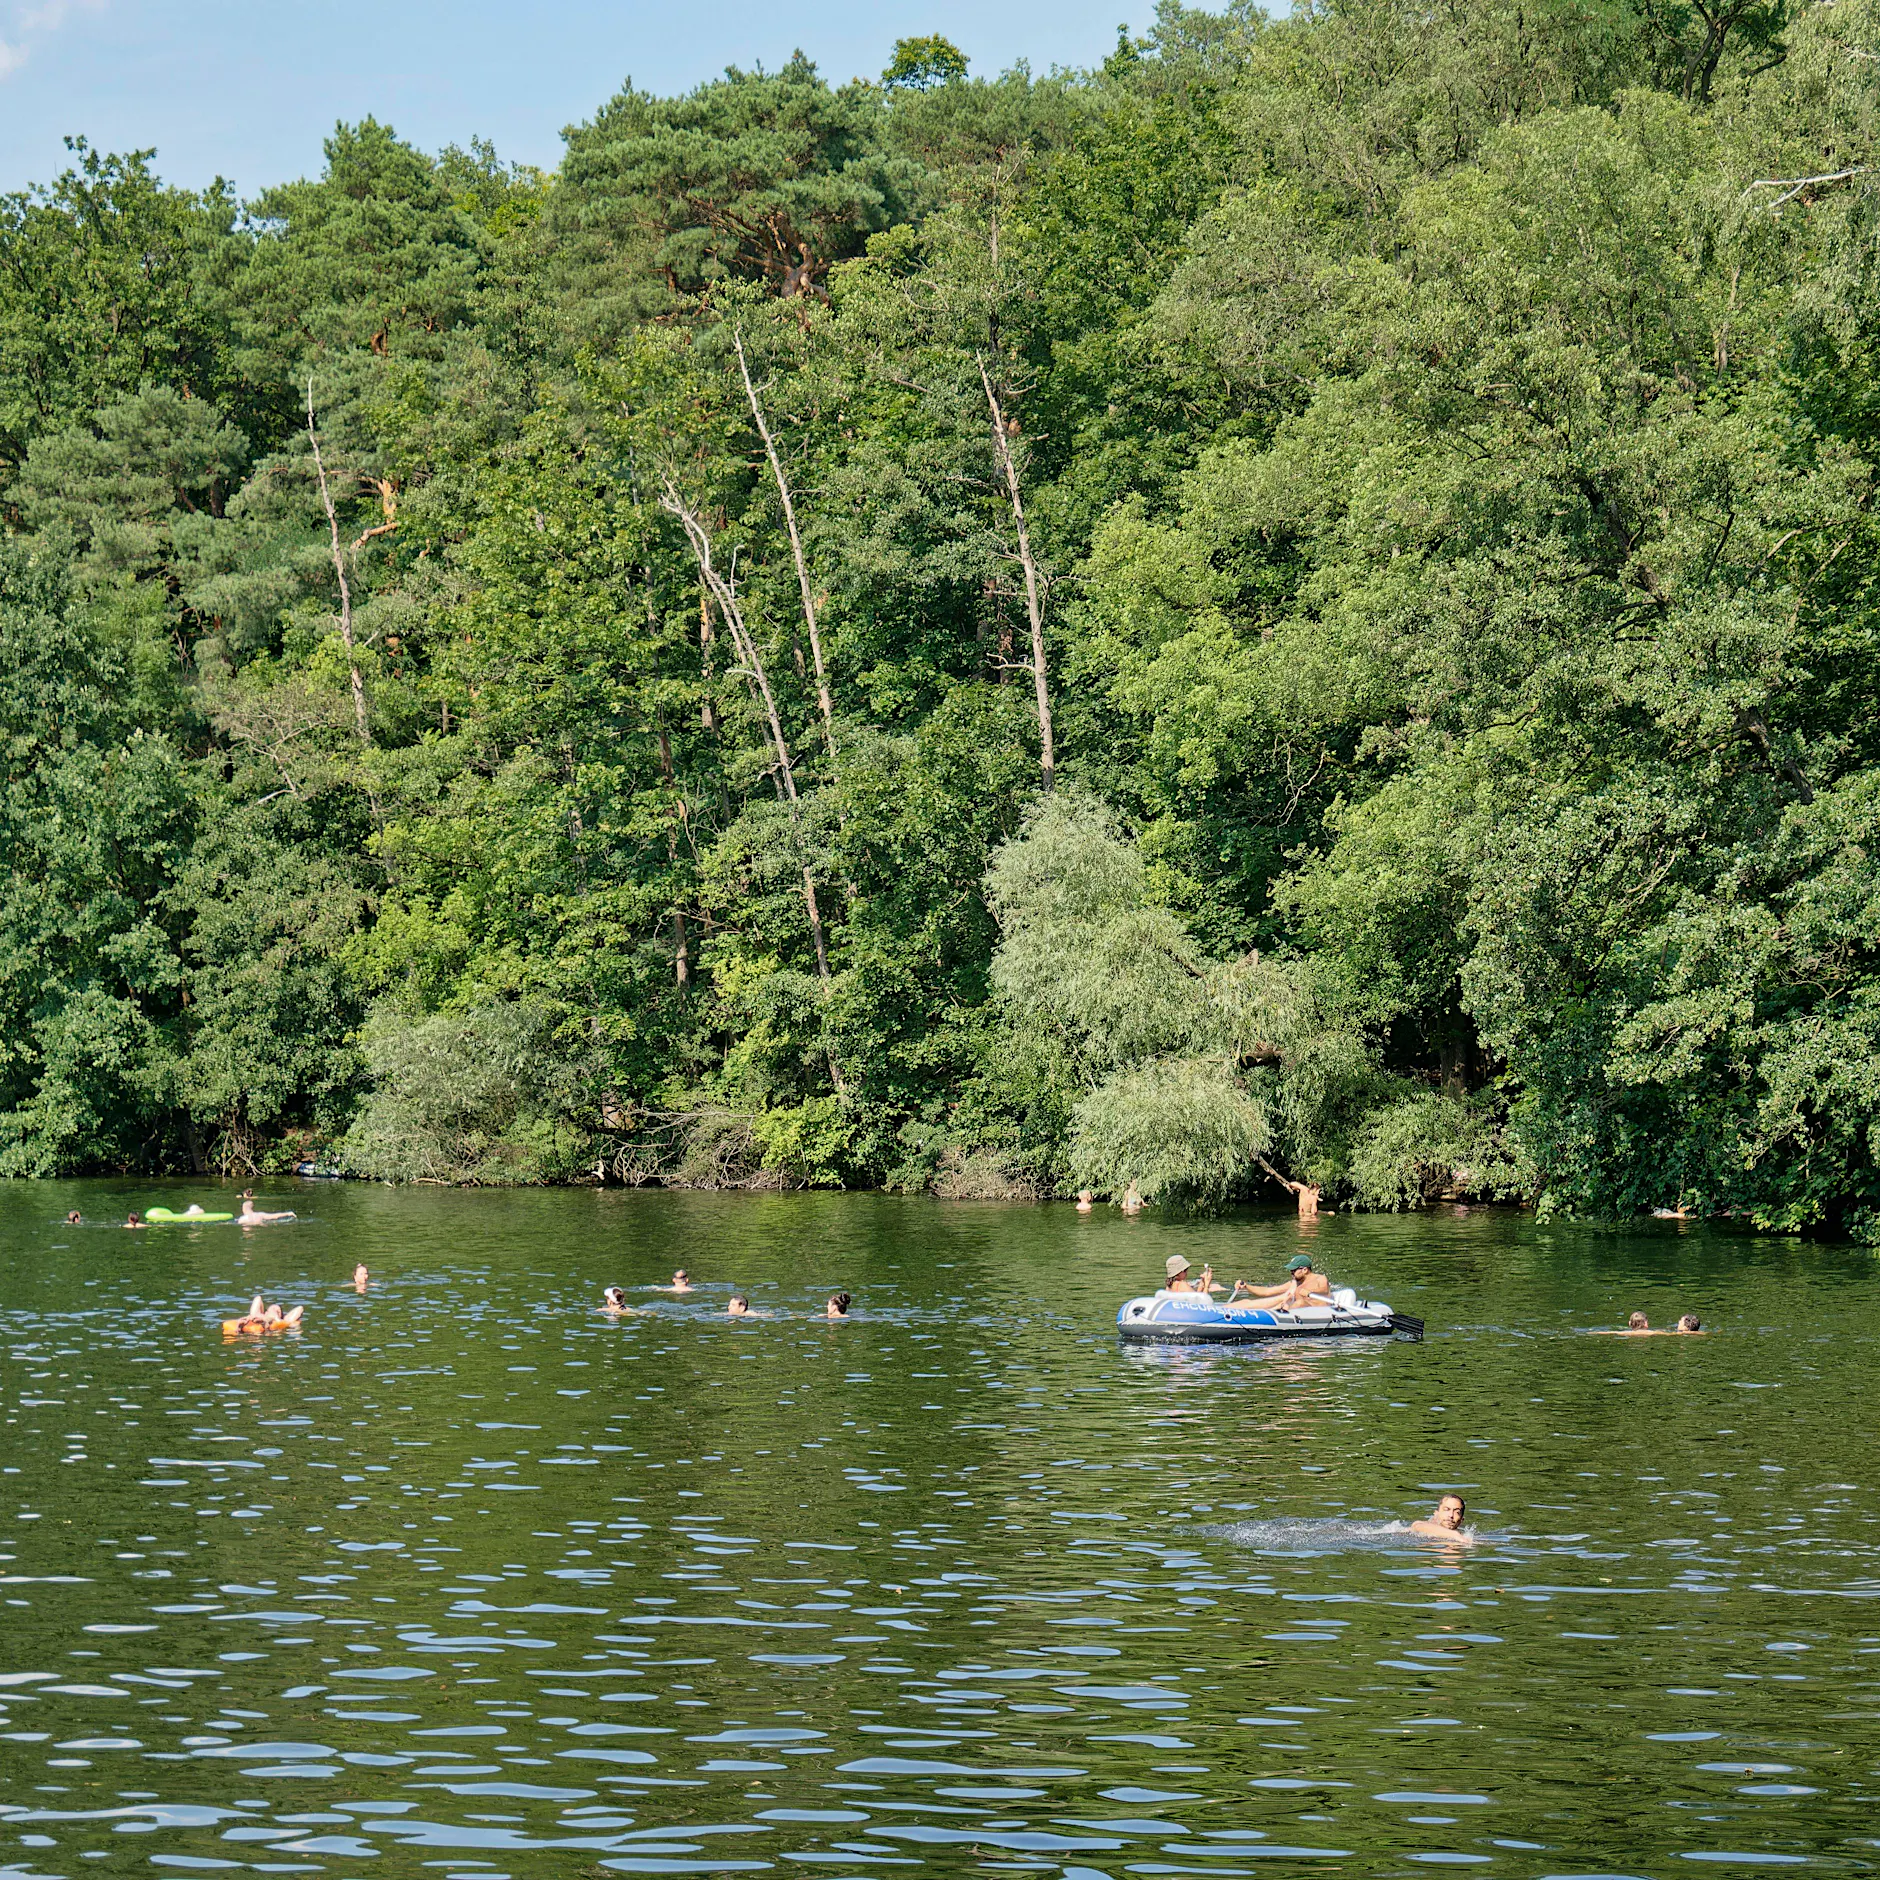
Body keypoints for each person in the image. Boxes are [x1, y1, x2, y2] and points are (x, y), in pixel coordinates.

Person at [1231, 1255, 1330, 1310]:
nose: (1291, 1272)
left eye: (1293, 1270)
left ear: (1305, 1270)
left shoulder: (1320, 1278)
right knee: (1246, 1302)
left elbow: (1324, 1290)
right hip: (1295, 1311)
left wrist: (1309, 1292)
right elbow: (1267, 1292)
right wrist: (1246, 1286)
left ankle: (1278, 1312)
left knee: (1299, 1302)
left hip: (1316, 1311)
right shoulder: (1294, 1283)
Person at [1407, 1494, 1474, 1543]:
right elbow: (1417, 1526)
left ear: (1461, 1520)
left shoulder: (1462, 1536)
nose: (1451, 1515)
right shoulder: (1425, 1525)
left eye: (1457, 1512)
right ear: (1436, 1514)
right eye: (1446, 1509)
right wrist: (1454, 1535)